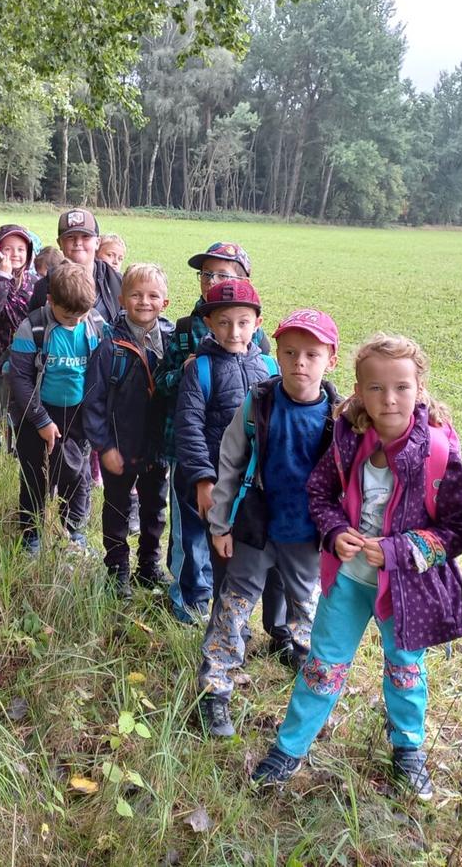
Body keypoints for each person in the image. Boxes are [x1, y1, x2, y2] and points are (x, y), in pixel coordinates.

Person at [251, 333, 462, 801]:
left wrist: (399, 550)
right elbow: (320, 493)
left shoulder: (437, 450)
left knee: (405, 669)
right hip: (348, 579)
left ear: (419, 387)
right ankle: (290, 748)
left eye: (401, 387)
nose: (388, 399)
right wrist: (334, 532)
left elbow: (459, 527)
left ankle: (408, 750)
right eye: (375, 388)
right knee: (323, 665)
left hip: (405, 589)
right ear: (358, 389)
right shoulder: (348, 438)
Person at [196, 309, 342, 738]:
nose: (300, 362)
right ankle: (214, 689)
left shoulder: (342, 415)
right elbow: (230, 462)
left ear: (330, 359)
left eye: (312, 354)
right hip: (257, 531)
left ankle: (313, 690)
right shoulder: (258, 403)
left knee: (310, 614)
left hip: (309, 539)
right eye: (291, 352)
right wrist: (220, 525)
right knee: (232, 606)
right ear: (275, 353)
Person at [159, 242, 286, 647]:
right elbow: (188, 422)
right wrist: (201, 479)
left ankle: (233, 613)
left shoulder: (267, 362)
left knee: (235, 545)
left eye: (243, 323)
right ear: (210, 324)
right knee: (191, 538)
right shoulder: (194, 356)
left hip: (246, 481)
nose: (234, 331)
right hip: (201, 472)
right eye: (224, 323)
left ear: (256, 323)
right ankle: (188, 602)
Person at [83, 263, 174, 597]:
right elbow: (93, 402)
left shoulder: (172, 342)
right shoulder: (109, 346)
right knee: (117, 510)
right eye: (135, 294)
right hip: (119, 450)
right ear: (121, 299)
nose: (144, 301)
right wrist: (104, 447)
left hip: (157, 449)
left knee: (154, 510)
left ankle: (149, 566)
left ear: (165, 303)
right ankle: (117, 570)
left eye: (153, 296)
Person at [7, 265, 107, 554]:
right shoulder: (33, 328)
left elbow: (101, 371)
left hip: (78, 415)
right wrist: (41, 420)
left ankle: (73, 531)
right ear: (51, 300)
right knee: (34, 474)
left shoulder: (94, 326)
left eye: (81, 315)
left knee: (78, 475)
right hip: (37, 413)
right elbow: (21, 380)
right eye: (67, 316)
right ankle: (31, 535)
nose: (75, 321)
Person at [0, 224, 38, 454]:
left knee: (23, 404)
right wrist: (3, 276)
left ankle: (18, 448)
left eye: (21, 249)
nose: (15, 254)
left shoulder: (35, 284)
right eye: (8, 248)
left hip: (27, 357)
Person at [27, 208, 122, 322]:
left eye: (85, 236)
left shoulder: (116, 282)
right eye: (70, 237)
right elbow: (34, 329)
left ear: (97, 242)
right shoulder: (44, 287)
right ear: (60, 243)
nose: (78, 242)